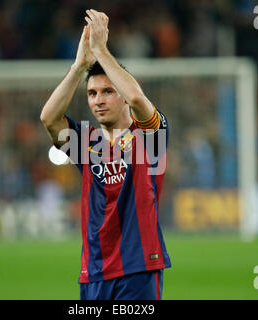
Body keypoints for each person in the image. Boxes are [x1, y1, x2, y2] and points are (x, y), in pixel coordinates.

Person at [40, 9, 171, 300]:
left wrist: (101, 50)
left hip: (138, 268)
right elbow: (49, 119)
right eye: (92, 93)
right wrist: (78, 66)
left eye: (108, 91)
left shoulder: (151, 137)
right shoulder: (87, 143)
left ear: (121, 94)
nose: (98, 100)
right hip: (94, 271)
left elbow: (137, 98)